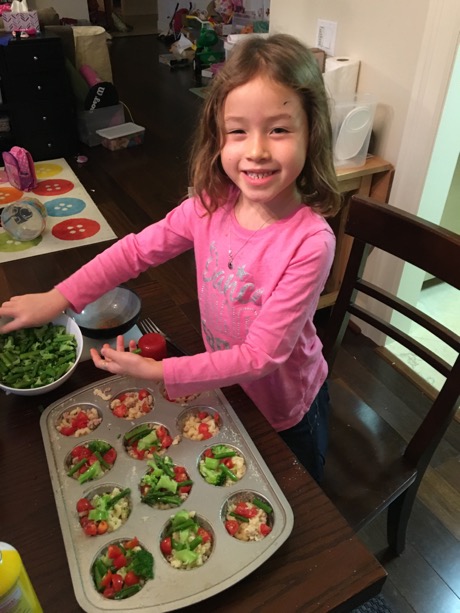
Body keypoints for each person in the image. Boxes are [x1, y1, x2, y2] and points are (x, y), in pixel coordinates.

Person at [0, 34, 341, 483]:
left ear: (311, 131)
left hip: (286, 409)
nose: (256, 149)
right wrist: (59, 297)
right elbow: (138, 250)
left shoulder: (310, 242)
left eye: (278, 129)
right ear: (218, 137)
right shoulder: (212, 202)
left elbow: (261, 356)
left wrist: (161, 372)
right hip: (225, 386)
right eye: (238, 130)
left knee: (301, 492)